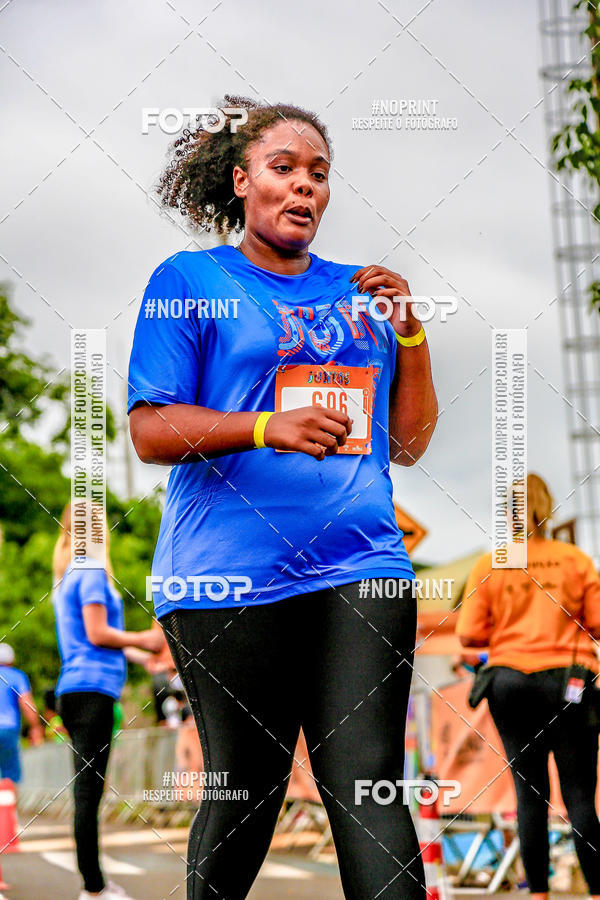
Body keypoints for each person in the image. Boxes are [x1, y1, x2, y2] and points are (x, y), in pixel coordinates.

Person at [128, 95, 438, 900]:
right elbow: (152, 430)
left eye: (319, 173)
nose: (305, 185)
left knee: (369, 782)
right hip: (229, 575)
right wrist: (269, 426)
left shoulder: (361, 292)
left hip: (362, 565)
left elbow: (406, 445)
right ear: (242, 181)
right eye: (284, 167)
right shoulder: (190, 280)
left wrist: (410, 333)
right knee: (248, 790)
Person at [456, 473, 600, 900]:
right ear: (548, 507)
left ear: (509, 513)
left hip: (510, 682)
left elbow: (468, 635)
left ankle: (538, 894)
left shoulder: (492, 564)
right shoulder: (574, 560)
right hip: (568, 682)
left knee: (529, 793)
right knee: (580, 796)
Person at [52, 503, 163, 900]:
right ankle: (94, 889)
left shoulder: (69, 574)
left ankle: (94, 885)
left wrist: (142, 656)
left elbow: (93, 640)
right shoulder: (91, 571)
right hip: (91, 692)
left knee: (87, 792)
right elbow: (98, 633)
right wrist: (146, 638)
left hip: (77, 690)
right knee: (88, 794)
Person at [0, 643, 43, 785]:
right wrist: (35, 727)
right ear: (11, 661)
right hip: (8, 729)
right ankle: (9, 797)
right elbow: (27, 703)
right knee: (10, 775)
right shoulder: (17, 676)